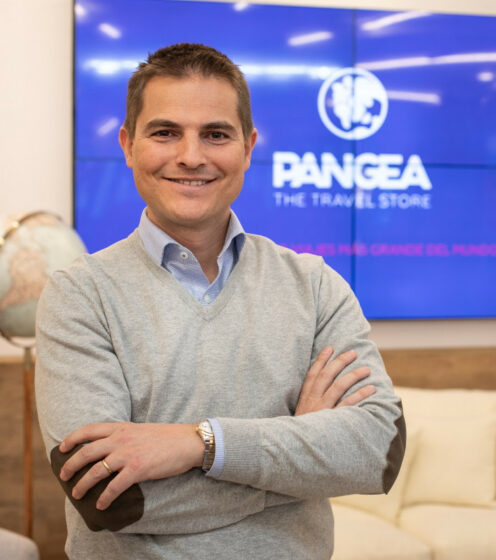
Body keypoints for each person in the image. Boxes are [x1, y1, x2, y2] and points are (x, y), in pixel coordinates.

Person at [35, 43, 405, 559]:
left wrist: (200, 444)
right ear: (128, 145)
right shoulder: (79, 295)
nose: (192, 156)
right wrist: (299, 450)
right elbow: (109, 501)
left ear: (248, 148)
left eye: (216, 134)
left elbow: (378, 453)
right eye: (165, 132)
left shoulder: (315, 285)